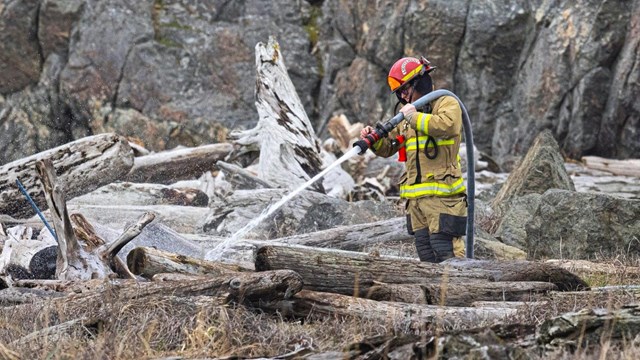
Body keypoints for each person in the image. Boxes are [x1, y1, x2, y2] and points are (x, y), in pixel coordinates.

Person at [360, 56, 467, 263]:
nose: (402, 95)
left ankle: (458, 292)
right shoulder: (407, 116)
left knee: (447, 253)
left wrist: (414, 117)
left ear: (419, 81)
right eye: (399, 92)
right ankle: (437, 296)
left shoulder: (446, 102)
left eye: (405, 88)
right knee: (426, 255)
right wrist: (373, 140)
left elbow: (448, 125)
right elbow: (390, 147)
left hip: (443, 200)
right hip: (416, 203)